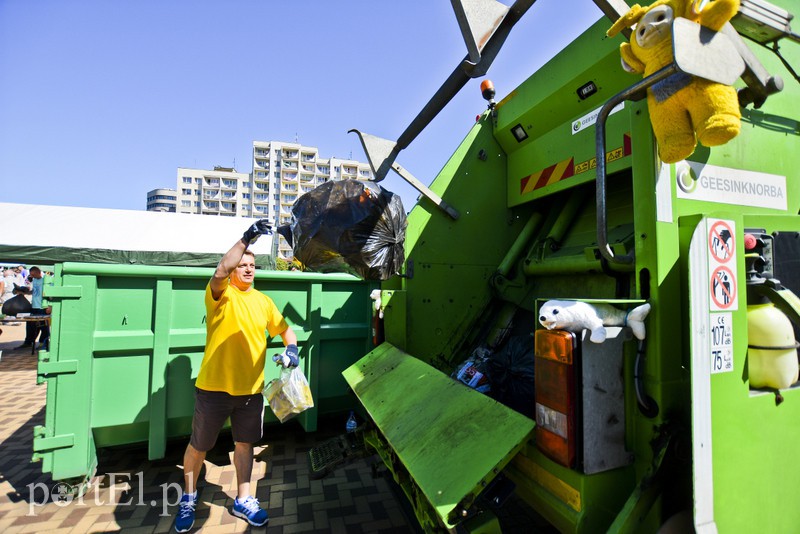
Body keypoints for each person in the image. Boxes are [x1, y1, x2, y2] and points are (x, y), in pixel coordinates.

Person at [175, 219, 298, 533]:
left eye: (252, 265)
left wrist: (292, 350)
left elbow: (287, 332)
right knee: (199, 447)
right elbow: (219, 269)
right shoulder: (220, 295)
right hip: (213, 390)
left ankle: (244, 499)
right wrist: (247, 238)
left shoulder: (264, 302)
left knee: (245, 446)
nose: (247, 269)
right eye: (242, 264)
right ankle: (188, 497)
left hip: (250, 393)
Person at [17, 266, 50, 350]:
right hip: (34, 306)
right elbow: (33, 291)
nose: (32, 276)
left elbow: (50, 295)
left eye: (33, 274)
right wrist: (23, 291)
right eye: (31, 275)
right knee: (30, 325)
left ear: (38, 272)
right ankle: (28, 342)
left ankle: (43, 343)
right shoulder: (33, 280)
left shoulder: (46, 280)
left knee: (44, 327)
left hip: (42, 307)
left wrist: (50, 306)